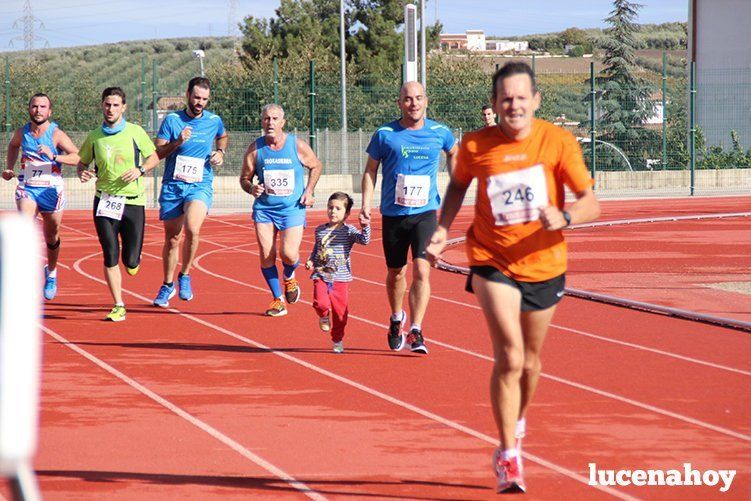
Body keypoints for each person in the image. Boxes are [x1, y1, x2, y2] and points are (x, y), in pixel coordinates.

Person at [426, 62, 600, 493]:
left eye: (522, 97)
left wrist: (565, 216)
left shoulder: (557, 142)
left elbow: (591, 202)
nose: (514, 105)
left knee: (532, 362)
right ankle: (507, 455)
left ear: (536, 100)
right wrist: (444, 228)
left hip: (544, 263)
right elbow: (457, 186)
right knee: (511, 356)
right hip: (491, 259)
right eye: (506, 98)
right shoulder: (476, 145)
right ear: (495, 104)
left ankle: (517, 418)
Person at [360, 81, 458, 354]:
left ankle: (416, 329)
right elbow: (370, 170)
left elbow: (453, 153)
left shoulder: (440, 132)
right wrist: (366, 203)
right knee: (396, 273)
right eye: (407, 99)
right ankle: (395, 318)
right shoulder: (385, 134)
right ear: (399, 103)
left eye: (418, 98)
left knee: (423, 270)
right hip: (393, 214)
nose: (413, 104)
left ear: (426, 101)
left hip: (425, 212)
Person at [77, 87, 160, 322]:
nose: (111, 109)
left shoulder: (135, 132)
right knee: (110, 252)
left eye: (115, 105)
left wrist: (140, 169)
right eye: (107, 104)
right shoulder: (94, 137)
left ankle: (133, 259)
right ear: (102, 106)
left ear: (123, 107)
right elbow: (82, 163)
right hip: (104, 201)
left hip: (133, 202)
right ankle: (118, 304)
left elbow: (153, 157)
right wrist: (83, 173)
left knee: (131, 262)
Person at [239, 103, 322, 317]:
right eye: (266, 119)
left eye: (275, 119)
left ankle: (290, 276)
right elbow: (244, 179)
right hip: (265, 210)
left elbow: (316, 165)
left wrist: (309, 191)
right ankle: (278, 299)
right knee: (267, 255)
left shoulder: (297, 145)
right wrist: (251, 188)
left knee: (288, 253)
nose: (270, 123)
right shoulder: (255, 149)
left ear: (282, 123)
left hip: (292, 209)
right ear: (262, 122)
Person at [152, 77, 228, 307]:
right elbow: (159, 151)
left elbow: (222, 136)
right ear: (187, 95)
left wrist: (220, 152)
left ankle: (185, 275)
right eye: (196, 98)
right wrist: (177, 141)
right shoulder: (172, 120)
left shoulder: (214, 120)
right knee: (173, 238)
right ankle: (167, 285)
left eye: (204, 99)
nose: (200, 103)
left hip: (200, 183)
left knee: (193, 229)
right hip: (174, 185)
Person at [3, 93, 80, 300]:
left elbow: (78, 157)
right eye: (35, 106)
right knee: (25, 226)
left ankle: (52, 272)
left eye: (43, 107)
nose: (38, 110)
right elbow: (12, 146)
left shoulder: (56, 134)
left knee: (52, 235)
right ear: (29, 109)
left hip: (51, 189)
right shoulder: (22, 132)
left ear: (49, 111)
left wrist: (54, 155)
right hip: (28, 186)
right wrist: (9, 168)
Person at [305, 192, 371, 353]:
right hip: (321, 274)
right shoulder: (320, 230)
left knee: (341, 314)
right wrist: (311, 260)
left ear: (347, 213)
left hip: (340, 278)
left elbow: (364, 240)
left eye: (338, 208)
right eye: (330, 207)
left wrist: (366, 226)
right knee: (320, 303)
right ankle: (323, 315)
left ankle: (337, 339)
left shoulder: (349, 231)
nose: (333, 211)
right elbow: (317, 249)